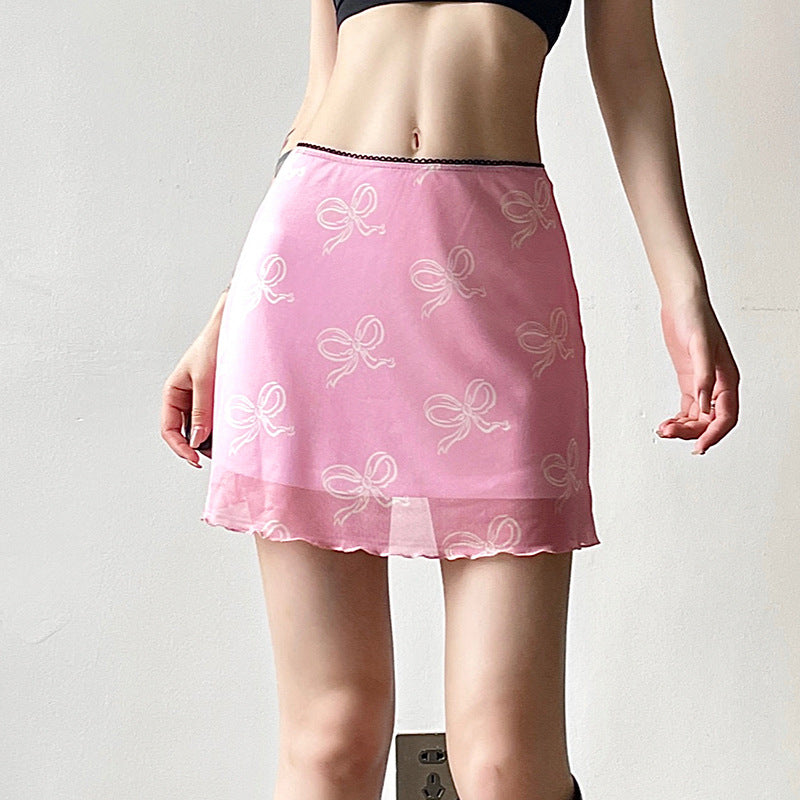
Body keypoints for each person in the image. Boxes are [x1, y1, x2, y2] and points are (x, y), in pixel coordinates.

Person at [160, 1, 740, 798]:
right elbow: (320, 93)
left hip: (496, 276)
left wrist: (684, 293)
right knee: (331, 733)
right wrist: (229, 308)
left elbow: (631, 72)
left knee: (506, 762)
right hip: (310, 274)